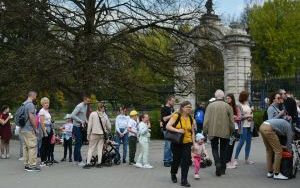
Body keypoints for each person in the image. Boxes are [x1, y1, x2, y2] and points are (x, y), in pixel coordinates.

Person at [203, 90, 234, 177]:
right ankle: (223, 169)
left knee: (214, 148)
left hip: (212, 130)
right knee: (223, 150)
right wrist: (231, 131)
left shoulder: (210, 106)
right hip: (225, 131)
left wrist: (205, 131)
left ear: (215, 96)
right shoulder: (228, 106)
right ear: (223, 96)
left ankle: (217, 163)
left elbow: (206, 120)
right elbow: (232, 122)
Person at [166, 101, 195, 187]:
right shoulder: (176, 116)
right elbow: (168, 126)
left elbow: (192, 132)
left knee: (186, 161)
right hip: (177, 142)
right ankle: (173, 173)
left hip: (187, 143)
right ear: (182, 108)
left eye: (190, 107)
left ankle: (184, 180)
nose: (189, 109)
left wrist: (194, 144)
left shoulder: (191, 118)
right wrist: (178, 130)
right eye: (187, 107)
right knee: (176, 160)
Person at [84, 102, 111, 169]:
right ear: (102, 108)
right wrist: (107, 131)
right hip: (102, 134)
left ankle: (88, 163)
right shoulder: (105, 115)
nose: (104, 108)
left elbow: (89, 125)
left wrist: (88, 134)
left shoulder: (93, 114)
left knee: (91, 148)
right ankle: (99, 163)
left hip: (94, 133)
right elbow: (109, 127)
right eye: (104, 107)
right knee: (99, 149)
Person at [19, 91, 40, 172]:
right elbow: (31, 117)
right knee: (32, 147)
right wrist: (35, 128)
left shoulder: (23, 104)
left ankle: (27, 164)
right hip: (29, 129)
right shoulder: (30, 105)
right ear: (33, 95)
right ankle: (32, 166)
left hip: (23, 128)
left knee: (26, 147)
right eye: (36, 96)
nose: (36, 97)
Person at [234, 91, 255, 165]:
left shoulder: (248, 103)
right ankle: (235, 159)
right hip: (243, 126)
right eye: (247, 96)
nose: (248, 97)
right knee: (242, 141)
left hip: (250, 125)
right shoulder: (238, 105)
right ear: (244, 97)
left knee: (249, 143)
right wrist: (247, 116)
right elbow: (239, 117)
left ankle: (247, 159)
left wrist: (251, 116)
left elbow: (251, 113)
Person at [71, 95, 91, 167]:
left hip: (81, 127)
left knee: (79, 144)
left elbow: (84, 115)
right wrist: (81, 121)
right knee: (78, 144)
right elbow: (72, 115)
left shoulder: (85, 106)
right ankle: (79, 160)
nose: (89, 102)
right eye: (88, 101)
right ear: (84, 100)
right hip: (76, 127)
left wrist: (87, 121)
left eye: (89, 101)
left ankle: (76, 160)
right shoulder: (79, 106)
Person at [225, 94, 241, 169]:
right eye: (226, 98)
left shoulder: (236, 107)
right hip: (227, 128)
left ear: (232, 99)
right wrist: (232, 117)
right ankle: (227, 161)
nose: (227, 99)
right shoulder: (225, 107)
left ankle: (229, 160)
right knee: (228, 145)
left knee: (231, 144)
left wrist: (235, 117)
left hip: (235, 128)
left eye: (229, 98)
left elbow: (239, 117)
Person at [39, 97, 55, 166]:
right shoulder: (42, 111)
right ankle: (42, 161)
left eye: (47, 103)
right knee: (44, 145)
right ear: (42, 104)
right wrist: (45, 132)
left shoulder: (46, 111)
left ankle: (46, 160)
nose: (47, 104)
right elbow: (42, 123)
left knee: (48, 145)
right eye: (45, 103)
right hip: (45, 129)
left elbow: (49, 121)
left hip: (49, 128)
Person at [161, 96, 175, 167]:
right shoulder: (164, 108)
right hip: (166, 129)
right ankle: (166, 160)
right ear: (168, 101)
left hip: (172, 129)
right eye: (172, 101)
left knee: (172, 145)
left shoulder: (172, 108)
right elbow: (164, 119)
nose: (173, 102)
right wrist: (172, 115)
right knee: (168, 145)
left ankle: (171, 159)